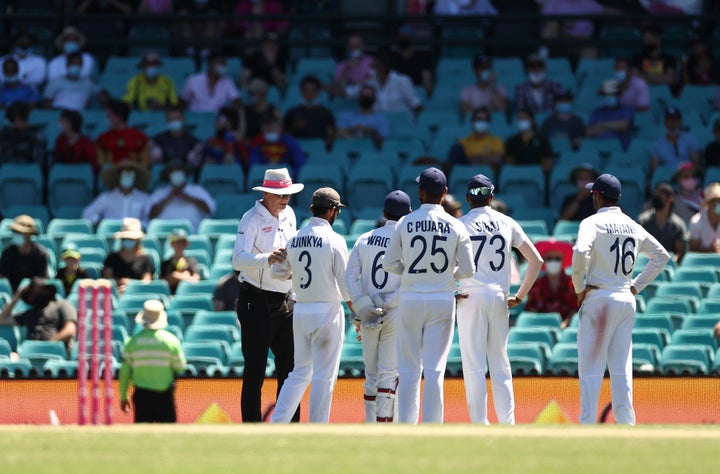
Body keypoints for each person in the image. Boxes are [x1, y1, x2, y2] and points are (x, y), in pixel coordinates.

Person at [572, 173, 669, 425]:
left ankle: (587, 425)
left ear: (598, 195)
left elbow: (581, 250)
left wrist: (578, 287)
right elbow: (662, 256)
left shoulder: (591, 223)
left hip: (599, 296)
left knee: (591, 370)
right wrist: (635, 286)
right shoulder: (632, 225)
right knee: (621, 369)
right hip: (625, 298)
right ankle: (627, 424)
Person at [383, 167, 475, 423]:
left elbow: (389, 264)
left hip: (411, 298)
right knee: (435, 369)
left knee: (409, 368)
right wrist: (447, 274)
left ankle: (406, 426)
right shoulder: (456, 224)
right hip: (441, 299)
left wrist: (412, 272)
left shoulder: (404, 222)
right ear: (444, 193)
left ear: (420, 192)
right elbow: (468, 270)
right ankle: (433, 426)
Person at [456, 173, 543, 424]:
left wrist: (452, 288)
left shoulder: (460, 224)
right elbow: (536, 260)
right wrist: (520, 295)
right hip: (499, 296)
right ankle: (508, 423)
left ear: (467, 198)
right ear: (492, 197)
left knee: (473, 365)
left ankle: (480, 424)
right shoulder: (506, 222)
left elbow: (447, 266)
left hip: (470, 295)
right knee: (500, 364)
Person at [270, 187, 351, 423]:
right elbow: (345, 282)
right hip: (327, 310)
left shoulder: (295, 238)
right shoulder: (334, 239)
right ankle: (318, 426)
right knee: (324, 375)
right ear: (333, 211)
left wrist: (291, 272)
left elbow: (277, 272)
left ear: (312, 209)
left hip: (302, 309)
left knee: (299, 372)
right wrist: (356, 310)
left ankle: (277, 422)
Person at [232, 168, 304, 422]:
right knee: (255, 370)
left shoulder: (290, 215)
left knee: (290, 369)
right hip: (256, 300)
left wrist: (294, 292)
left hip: (284, 299)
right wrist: (268, 259)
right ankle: (251, 426)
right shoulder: (251, 219)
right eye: (279, 194)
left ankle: (290, 425)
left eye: (287, 194)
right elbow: (238, 260)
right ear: (266, 193)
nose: (285, 199)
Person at [345, 190, 412, 423]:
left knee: (371, 373)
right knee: (388, 373)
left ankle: (370, 425)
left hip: (369, 312)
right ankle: (383, 426)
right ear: (409, 214)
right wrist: (388, 302)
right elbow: (409, 281)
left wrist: (362, 306)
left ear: (384, 213)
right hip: (394, 311)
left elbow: (349, 278)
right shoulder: (407, 242)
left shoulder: (364, 238)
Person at [119, 299, 186, 423]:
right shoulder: (171, 341)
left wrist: (123, 396)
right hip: (164, 395)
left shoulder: (131, 342)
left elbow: (124, 373)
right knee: (168, 434)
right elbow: (180, 367)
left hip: (141, 395)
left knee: (143, 436)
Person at [0, 277, 77, 355]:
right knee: (12, 356)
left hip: (54, 353)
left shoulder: (62, 305)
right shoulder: (29, 313)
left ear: (48, 291)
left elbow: (70, 330)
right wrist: (18, 295)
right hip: (30, 355)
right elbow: (2, 319)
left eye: (38, 292)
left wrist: (48, 345)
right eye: (33, 294)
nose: (34, 295)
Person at [147, 161, 216, 232]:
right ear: (168, 175)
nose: (176, 173)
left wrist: (187, 197)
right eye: (172, 171)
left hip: (193, 232)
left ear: (185, 173)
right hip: (165, 233)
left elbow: (209, 209)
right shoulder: (159, 192)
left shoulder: (197, 190)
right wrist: (169, 197)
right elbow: (150, 214)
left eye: (179, 170)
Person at [524, 239, 578, 328]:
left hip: (566, 328)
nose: (553, 262)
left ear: (562, 261)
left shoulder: (572, 285)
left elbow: (575, 310)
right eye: (549, 259)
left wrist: (565, 324)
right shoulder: (536, 285)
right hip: (540, 328)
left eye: (557, 259)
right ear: (544, 261)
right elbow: (531, 310)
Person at [82, 160, 152, 227]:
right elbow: (87, 213)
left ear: (135, 176)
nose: (127, 175)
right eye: (124, 172)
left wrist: (140, 226)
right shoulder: (106, 197)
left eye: (130, 172)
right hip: (111, 236)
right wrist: (102, 224)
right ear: (118, 176)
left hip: (136, 236)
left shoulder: (144, 198)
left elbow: (150, 219)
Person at [103, 218, 155, 294]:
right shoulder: (112, 258)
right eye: (124, 239)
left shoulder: (145, 259)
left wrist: (130, 285)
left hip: (138, 293)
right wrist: (121, 282)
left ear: (137, 240)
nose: (127, 241)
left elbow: (146, 281)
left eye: (131, 239)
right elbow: (108, 279)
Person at [637, 183, 687, 263]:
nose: (656, 196)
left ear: (670, 198)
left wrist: (670, 262)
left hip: (669, 265)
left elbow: (680, 252)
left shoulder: (677, 224)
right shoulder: (643, 221)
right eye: (655, 194)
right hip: (646, 264)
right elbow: (637, 246)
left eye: (660, 195)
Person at [247, 111, 306, 178]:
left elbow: (300, 162)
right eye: (267, 129)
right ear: (262, 129)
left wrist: (291, 175)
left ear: (279, 128)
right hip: (263, 179)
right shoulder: (257, 143)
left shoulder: (289, 141)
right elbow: (252, 166)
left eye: (272, 129)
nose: (270, 131)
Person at [0, 215, 49, 292]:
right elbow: (2, 278)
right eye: (14, 231)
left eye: (19, 232)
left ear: (29, 235)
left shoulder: (41, 254)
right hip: (10, 297)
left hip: (34, 296)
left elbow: (41, 281)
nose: (15, 234)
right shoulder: (7, 253)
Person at [283, 75, 336, 146]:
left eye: (312, 91)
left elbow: (331, 135)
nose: (309, 94)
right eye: (306, 91)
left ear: (318, 92)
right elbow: (285, 134)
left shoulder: (326, 113)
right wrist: (294, 127)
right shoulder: (291, 112)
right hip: (297, 147)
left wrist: (330, 136)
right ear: (301, 92)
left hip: (318, 149)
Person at [649, 107, 702, 177]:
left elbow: (696, 163)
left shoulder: (690, 139)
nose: (672, 123)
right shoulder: (657, 144)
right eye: (669, 120)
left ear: (680, 121)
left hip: (686, 174)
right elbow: (654, 169)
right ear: (664, 122)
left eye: (675, 120)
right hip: (666, 176)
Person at [95, 99, 150, 167]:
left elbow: (145, 162)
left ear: (118, 117)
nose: (107, 118)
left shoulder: (139, 137)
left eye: (109, 115)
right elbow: (100, 163)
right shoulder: (103, 138)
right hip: (110, 175)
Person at [448, 107, 504, 172]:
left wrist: (474, 158)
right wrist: (486, 157)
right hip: (468, 174)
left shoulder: (496, 140)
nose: (482, 122)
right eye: (479, 119)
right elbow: (461, 160)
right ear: (472, 121)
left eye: (485, 120)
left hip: (488, 176)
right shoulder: (463, 142)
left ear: (489, 122)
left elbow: (496, 159)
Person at [336, 85, 390, 150]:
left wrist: (372, 131)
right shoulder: (346, 116)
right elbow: (337, 133)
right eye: (363, 96)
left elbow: (383, 143)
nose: (366, 98)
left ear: (374, 99)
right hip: (347, 151)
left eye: (369, 96)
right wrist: (353, 129)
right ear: (359, 97)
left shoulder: (381, 120)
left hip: (371, 155)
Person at [586, 79, 634, 151]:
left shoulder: (627, 109)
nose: (609, 97)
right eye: (607, 95)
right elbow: (589, 132)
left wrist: (601, 125)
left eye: (612, 94)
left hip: (619, 150)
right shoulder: (596, 112)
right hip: (597, 148)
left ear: (619, 95)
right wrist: (614, 127)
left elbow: (624, 125)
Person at [390, 24, 434, 97]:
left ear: (412, 38)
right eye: (400, 36)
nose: (402, 39)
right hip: (398, 93)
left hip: (417, 92)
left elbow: (427, 83)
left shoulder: (422, 59)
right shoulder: (393, 58)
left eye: (405, 36)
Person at [328, 34, 374, 99]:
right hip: (348, 100)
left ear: (363, 47)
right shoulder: (342, 65)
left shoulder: (371, 61)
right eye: (352, 44)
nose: (355, 47)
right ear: (348, 47)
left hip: (368, 99)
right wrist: (347, 69)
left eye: (357, 44)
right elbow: (336, 88)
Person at [160, 229, 200, 294]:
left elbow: (196, 280)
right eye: (178, 242)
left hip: (188, 294)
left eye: (183, 242)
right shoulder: (166, 263)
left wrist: (176, 276)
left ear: (187, 244)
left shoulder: (191, 261)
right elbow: (164, 284)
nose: (180, 245)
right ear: (172, 244)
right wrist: (185, 276)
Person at [688, 182, 720, 253]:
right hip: (703, 262)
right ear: (708, 203)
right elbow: (693, 249)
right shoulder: (696, 221)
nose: (719, 203)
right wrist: (711, 251)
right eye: (716, 201)